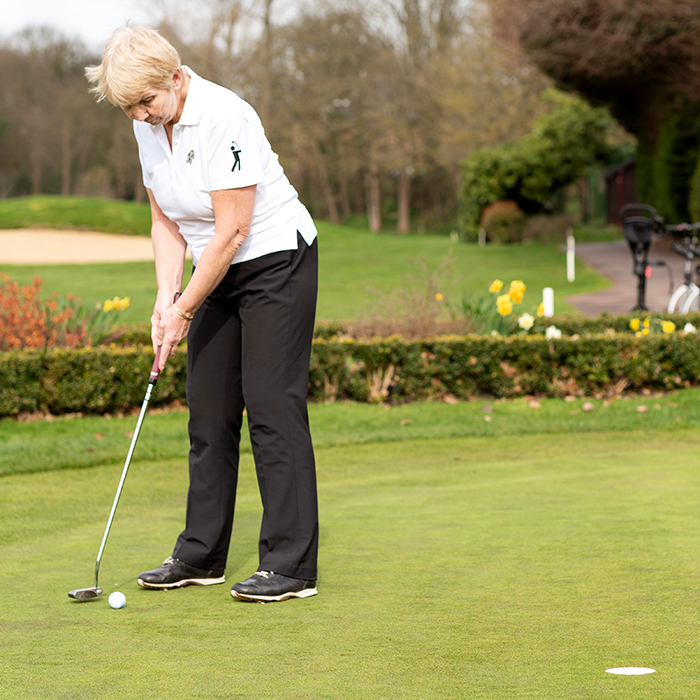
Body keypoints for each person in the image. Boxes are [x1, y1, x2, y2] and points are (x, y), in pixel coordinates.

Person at [85, 26, 319, 603]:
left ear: (173, 76)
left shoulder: (224, 116)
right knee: (209, 412)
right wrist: (166, 298)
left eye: (146, 101)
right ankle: (201, 554)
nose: (140, 115)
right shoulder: (148, 126)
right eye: (129, 107)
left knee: (270, 405)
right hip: (213, 265)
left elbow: (234, 228)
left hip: (273, 260)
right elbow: (165, 220)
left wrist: (186, 307)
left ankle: (291, 565)